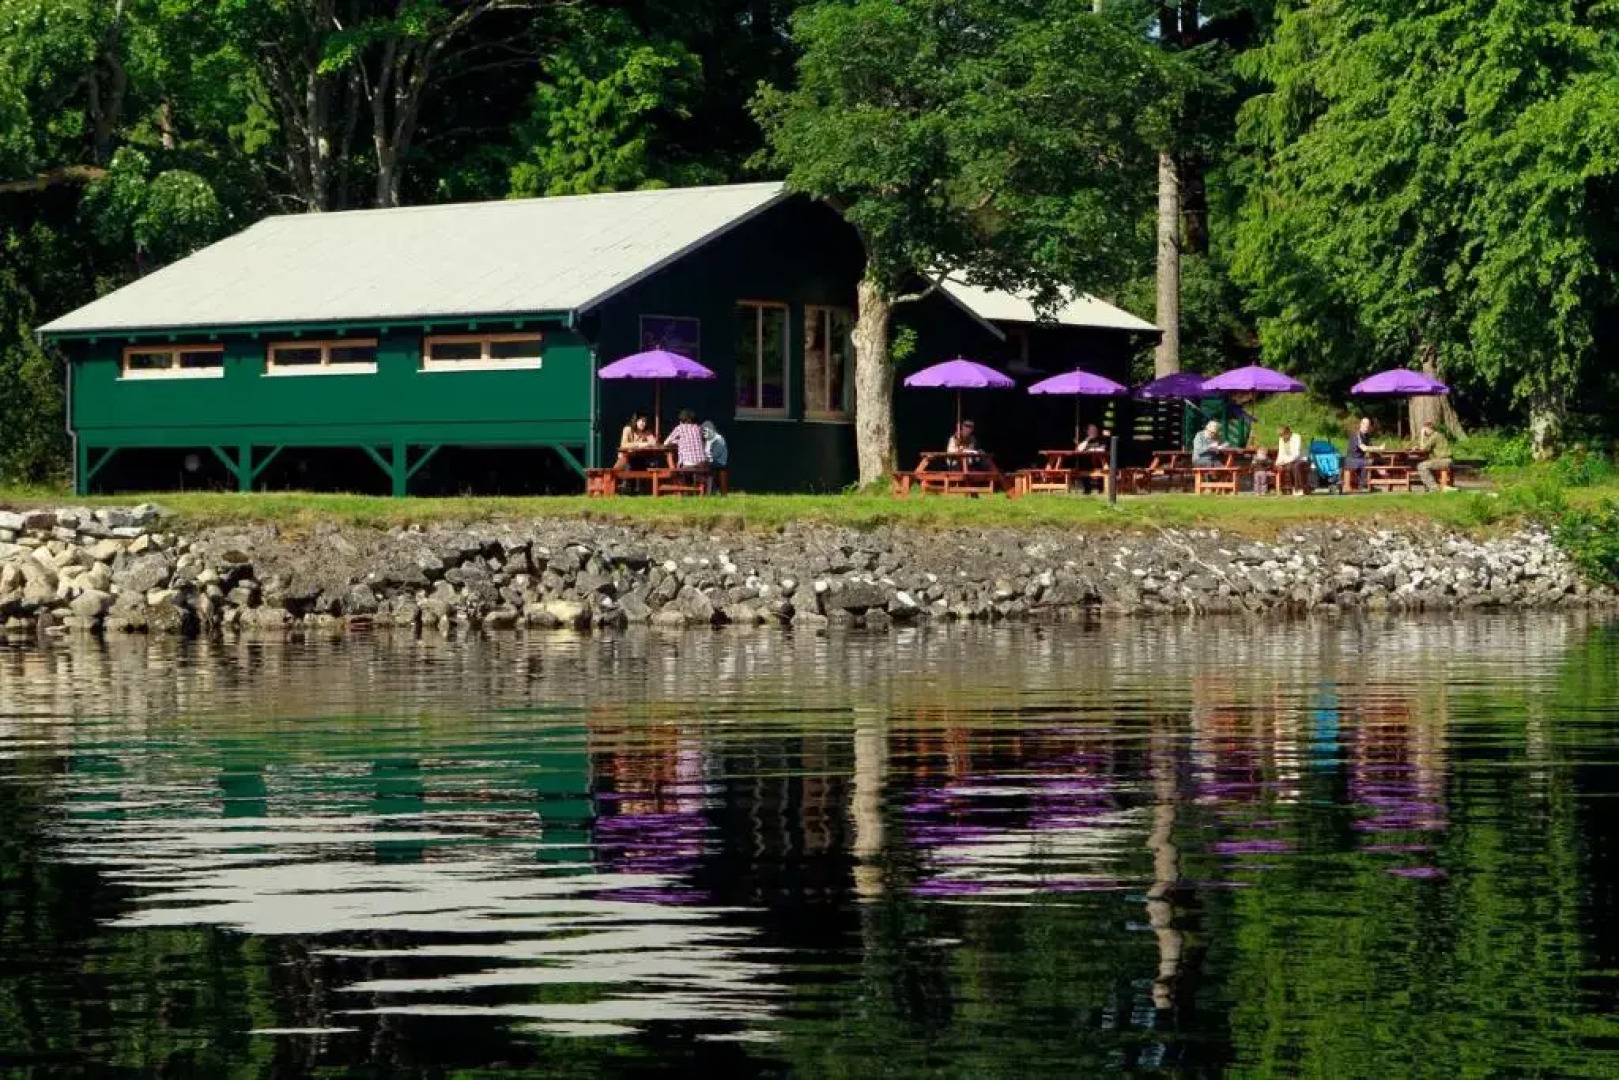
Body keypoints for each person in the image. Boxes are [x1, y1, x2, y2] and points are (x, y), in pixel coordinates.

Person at [1412, 419, 1453, 492]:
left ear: (1428, 429)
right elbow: (1425, 446)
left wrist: (1422, 436)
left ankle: (1434, 488)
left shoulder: (1435, 436)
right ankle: (1430, 488)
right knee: (1425, 464)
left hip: (1444, 460)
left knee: (1421, 466)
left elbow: (1424, 448)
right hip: (1443, 460)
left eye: (1425, 430)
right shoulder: (1435, 435)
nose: (1424, 432)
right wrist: (1418, 447)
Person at [664, 408, 709, 472]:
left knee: (678, 464)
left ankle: (677, 479)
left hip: (689, 463)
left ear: (681, 420)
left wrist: (677, 441)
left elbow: (666, 442)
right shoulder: (699, 428)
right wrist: (680, 441)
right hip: (703, 463)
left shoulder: (680, 428)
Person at [1346, 417, 1382, 492]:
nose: (1366, 426)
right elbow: (1364, 448)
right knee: (1369, 462)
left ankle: (1372, 484)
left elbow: (1371, 447)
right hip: (1352, 459)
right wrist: (1379, 448)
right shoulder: (1357, 434)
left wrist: (1379, 451)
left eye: (1368, 425)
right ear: (1361, 424)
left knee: (1379, 460)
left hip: (1360, 459)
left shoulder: (1367, 436)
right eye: (1365, 424)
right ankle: (1363, 485)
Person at [1276, 424, 1308, 496]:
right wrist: (1277, 462)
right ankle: (1292, 488)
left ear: (1288, 432)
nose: (1282, 437)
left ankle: (1299, 489)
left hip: (1301, 458)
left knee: (1295, 466)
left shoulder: (1296, 437)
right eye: (1280, 435)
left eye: (1283, 435)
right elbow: (1281, 453)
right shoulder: (1281, 439)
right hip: (1289, 460)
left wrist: (1285, 461)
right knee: (1287, 467)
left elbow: (1296, 454)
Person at [700, 420, 728, 493]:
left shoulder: (718, 439)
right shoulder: (707, 439)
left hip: (719, 462)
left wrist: (706, 459)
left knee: (704, 467)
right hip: (710, 461)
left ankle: (709, 490)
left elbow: (715, 455)